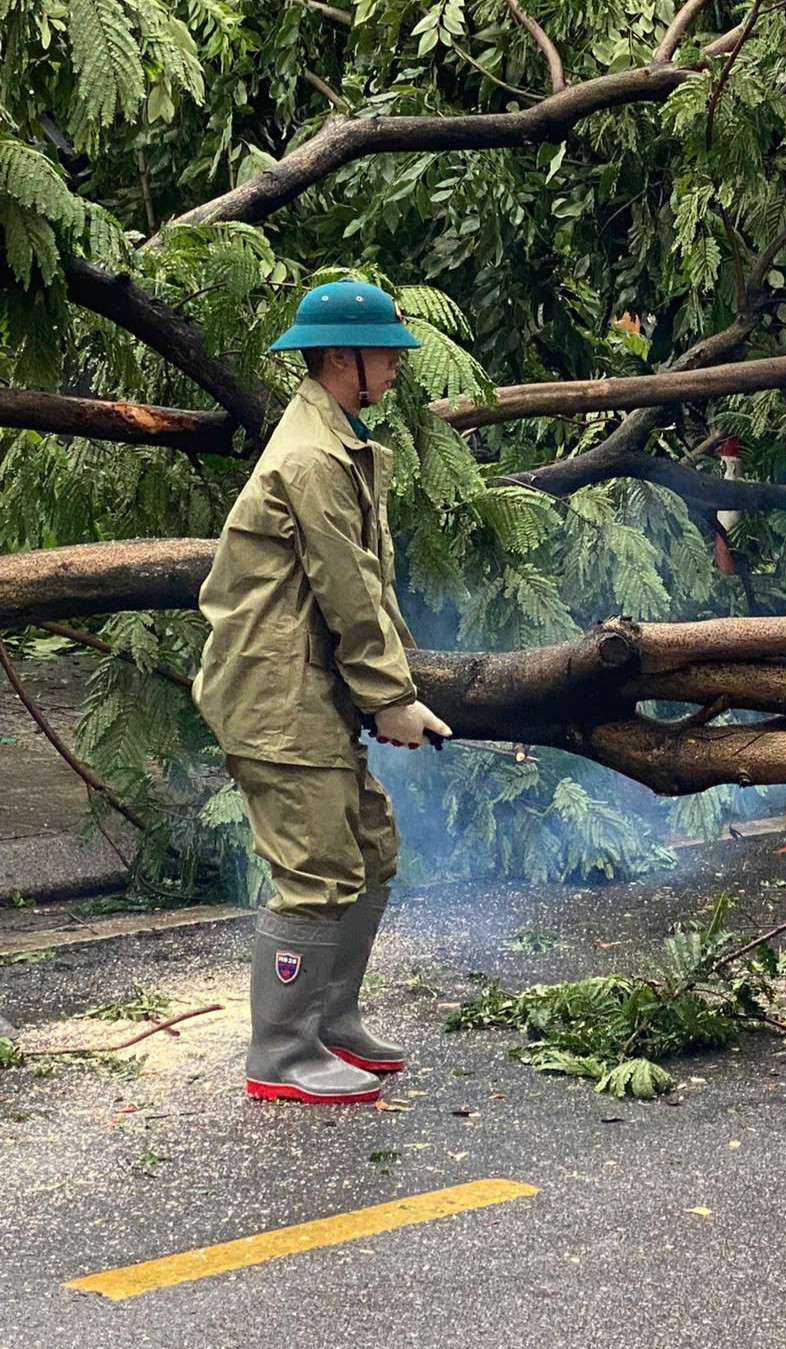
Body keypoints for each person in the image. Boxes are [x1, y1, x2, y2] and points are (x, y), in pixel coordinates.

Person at [192, 279, 453, 1105]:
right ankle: (281, 1051)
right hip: (277, 697)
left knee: (368, 849)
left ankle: (328, 1024)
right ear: (344, 359)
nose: (400, 368)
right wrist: (386, 696)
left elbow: (367, 583)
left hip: (309, 690)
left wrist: (397, 688)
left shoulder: (338, 438)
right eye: (388, 355)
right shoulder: (310, 455)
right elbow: (344, 588)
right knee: (315, 870)